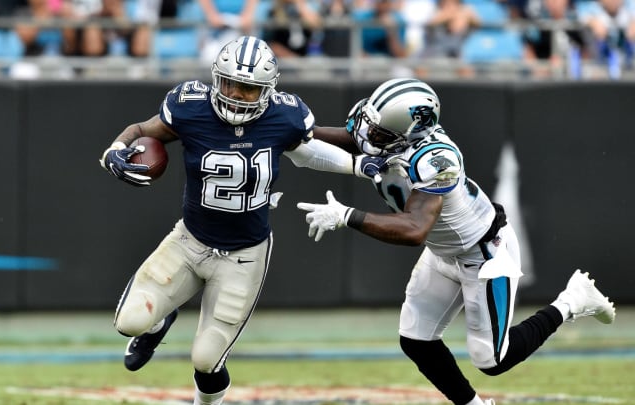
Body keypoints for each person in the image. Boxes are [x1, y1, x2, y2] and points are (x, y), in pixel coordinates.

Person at [297, 78, 616, 405]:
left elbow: (414, 229)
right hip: (444, 251)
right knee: (416, 340)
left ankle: (572, 301)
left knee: (492, 360)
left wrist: (347, 216)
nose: (365, 135)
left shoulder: (437, 159)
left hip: (485, 255)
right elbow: (352, 140)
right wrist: (299, 129)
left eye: (378, 132)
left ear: (408, 133)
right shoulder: (395, 138)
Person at [99, 35, 363, 405]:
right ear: (214, 78)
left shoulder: (285, 116)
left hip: (244, 255)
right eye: (230, 84)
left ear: (267, 91)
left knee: (206, 360)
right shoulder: (189, 107)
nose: (237, 94)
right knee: (128, 322)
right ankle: (159, 322)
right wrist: (115, 149)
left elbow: (308, 151)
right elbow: (142, 130)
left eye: (248, 89)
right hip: (189, 241)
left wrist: (361, 166)